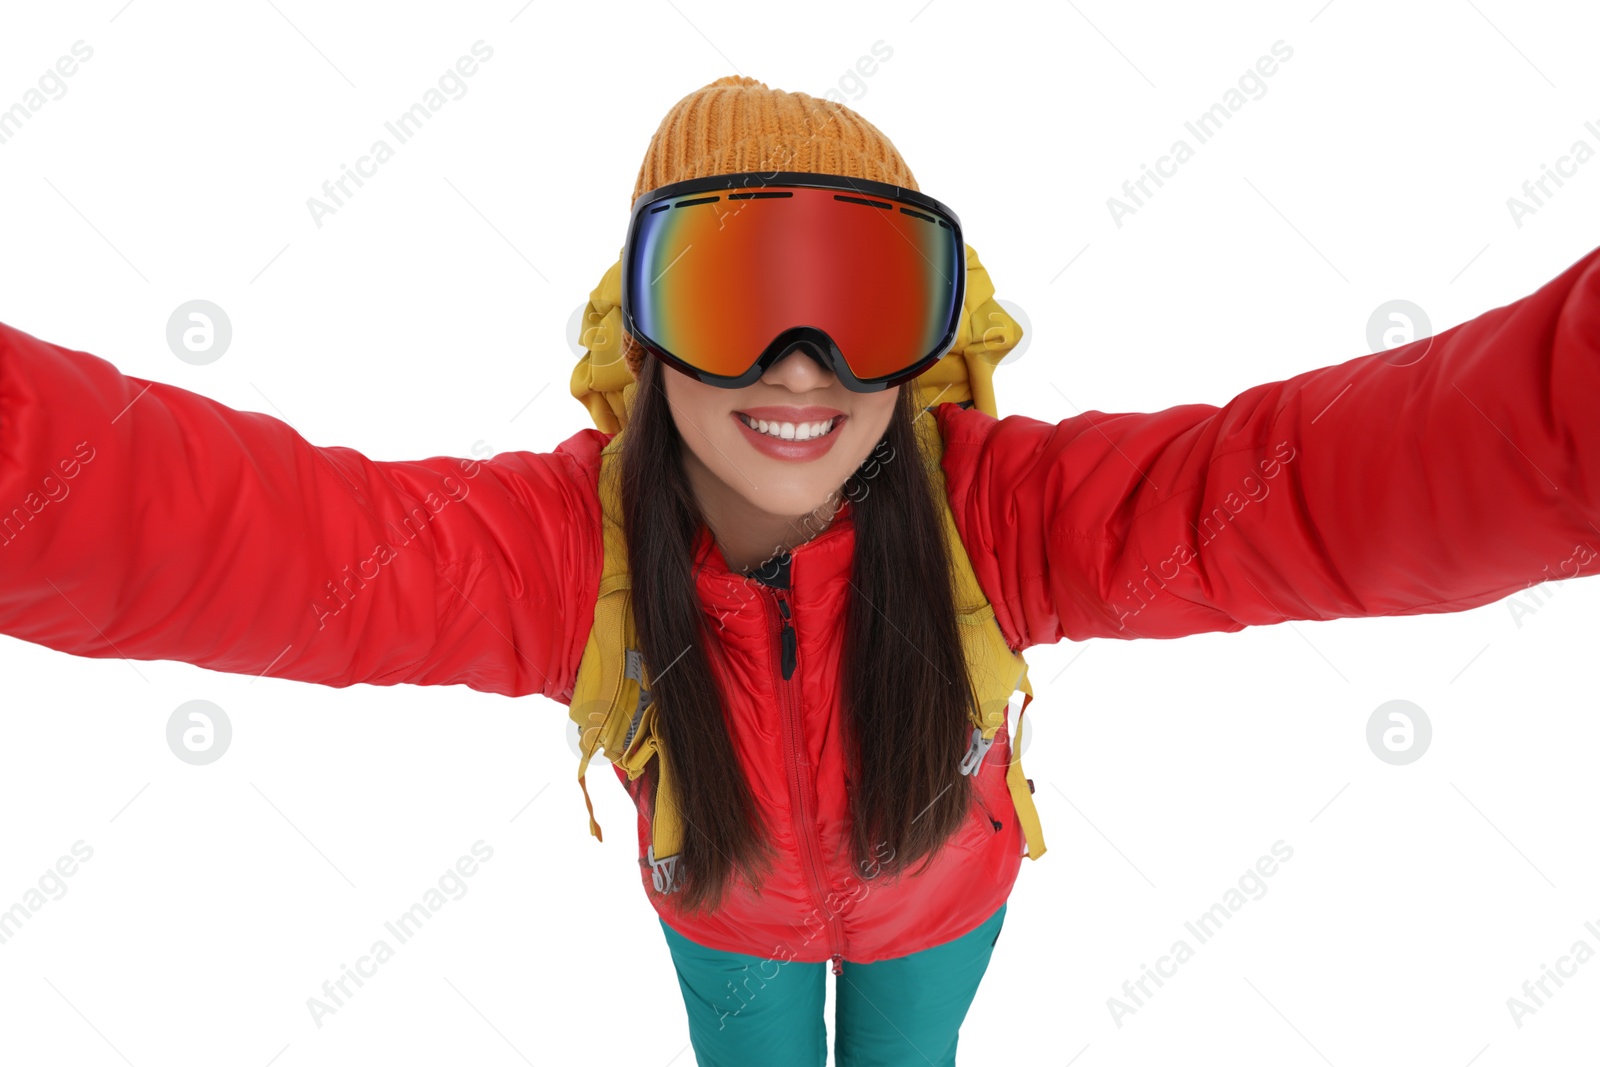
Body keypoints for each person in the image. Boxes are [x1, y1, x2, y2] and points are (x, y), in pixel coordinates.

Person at [2, 74, 1597, 1065]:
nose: (802, 364)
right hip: (731, 932)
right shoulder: (568, 560)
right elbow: (259, 536)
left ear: (935, 333)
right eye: (734, 287)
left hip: (940, 911)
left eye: (859, 296)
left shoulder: (1009, 516)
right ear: (640, 327)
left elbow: (1317, 488)